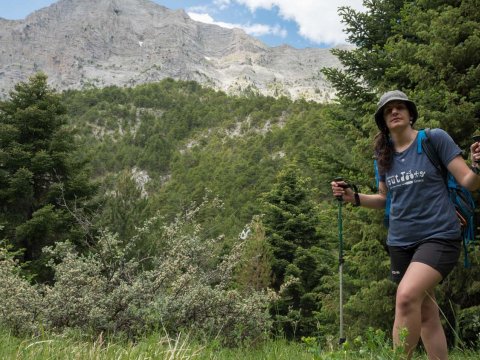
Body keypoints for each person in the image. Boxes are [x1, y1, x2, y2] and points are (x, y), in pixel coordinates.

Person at [331, 90, 480, 360]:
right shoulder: (383, 154)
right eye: (388, 111)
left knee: (406, 297)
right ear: (383, 121)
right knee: (426, 314)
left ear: (411, 114)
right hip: (400, 242)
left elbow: (469, 181)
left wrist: (478, 166)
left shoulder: (433, 139)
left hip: (439, 236)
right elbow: (384, 199)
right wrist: (354, 198)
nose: (394, 112)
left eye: (400, 107)